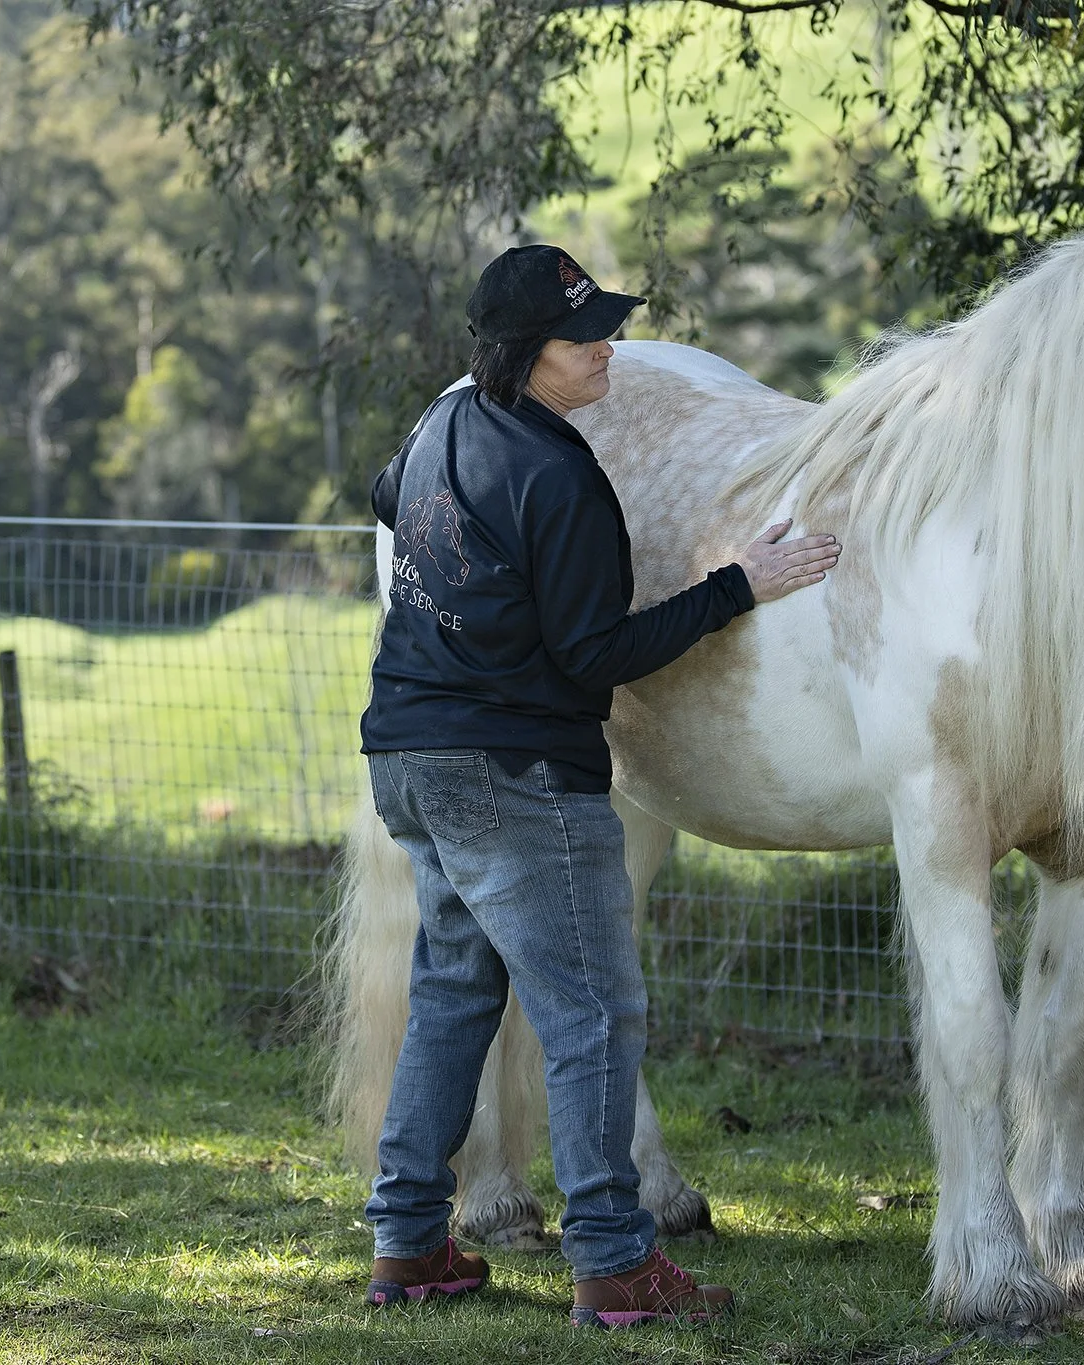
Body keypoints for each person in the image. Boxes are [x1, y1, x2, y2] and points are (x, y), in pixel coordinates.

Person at [357, 244, 839, 1328]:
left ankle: (406, 1247)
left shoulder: (438, 430)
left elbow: (384, 496)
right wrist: (735, 586)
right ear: (531, 356)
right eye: (587, 339)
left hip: (408, 760)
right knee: (593, 1018)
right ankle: (618, 1267)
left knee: (450, 996)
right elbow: (593, 658)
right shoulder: (559, 472)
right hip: (516, 777)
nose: (609, 349)